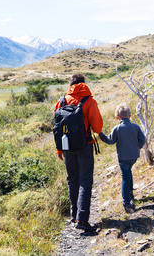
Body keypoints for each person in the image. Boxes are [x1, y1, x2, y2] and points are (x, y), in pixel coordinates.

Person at [55, 73, 103, 232]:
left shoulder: (61, 101)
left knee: (72, 180)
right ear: (83, 84)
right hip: (85, 145)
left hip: (67, 146)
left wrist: (59, 149)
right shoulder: (89, 100)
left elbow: (57, 127)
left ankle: (74, 214)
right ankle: (82, 220)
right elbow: (97, 127)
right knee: (85, 181)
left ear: (71, 85)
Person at [99, 102, 146, 213]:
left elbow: (110, 140)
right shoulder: (136, 127)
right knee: (128, 172)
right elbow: (142, 140)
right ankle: (130, 193)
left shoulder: (117, 128)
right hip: (134, 156)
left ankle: (126, 202)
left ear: (117, 117)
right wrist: (137, 147)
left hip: (123, 157)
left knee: (125, 176)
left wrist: (100, 134)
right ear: (130, 116)